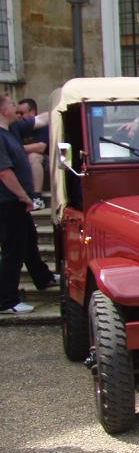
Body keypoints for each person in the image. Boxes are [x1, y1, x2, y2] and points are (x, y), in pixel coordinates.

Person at [0, 93, 57, 315]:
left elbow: (42, 119)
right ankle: (7, 301)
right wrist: (24, 196)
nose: (17, 107)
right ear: (4, 111)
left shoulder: (13, 129)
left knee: (29, 240)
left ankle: (43, 278)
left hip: (17, 201)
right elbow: (4, 173)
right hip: (8, 202)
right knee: (13, 250)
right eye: (13, 104)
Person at [15, 98, 48, 210]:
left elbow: (41, 147)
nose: (19, 116)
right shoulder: (17, 126)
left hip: (44, 161)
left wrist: (18, 148)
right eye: (17, 113)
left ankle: (37, 198)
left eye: (21, 113)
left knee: (34, 156)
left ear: (32, 112)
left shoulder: (42, 127)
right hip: (22, 162)